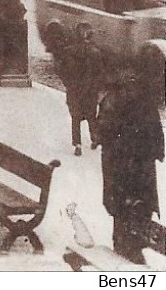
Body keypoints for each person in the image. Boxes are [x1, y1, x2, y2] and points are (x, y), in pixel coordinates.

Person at [98, 66, 165, 263]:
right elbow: (156, 134)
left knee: (126, 205)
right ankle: (130, 246)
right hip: (133, 165)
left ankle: (127, 244)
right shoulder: (141, 101)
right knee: (132, 204)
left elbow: (102, 131)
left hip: (125, 165)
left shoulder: (113, 99)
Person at [55, 22, 104, 155]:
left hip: (74, 89)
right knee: (91, 115)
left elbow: (60, 69)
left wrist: (68, 83)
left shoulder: (68, 51)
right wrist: (96, 87)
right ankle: (94, 138)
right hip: (90, 90)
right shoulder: (96, 53)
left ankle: (77, 144)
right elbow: (100, 73)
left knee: (75, 117)